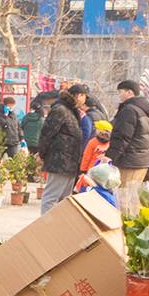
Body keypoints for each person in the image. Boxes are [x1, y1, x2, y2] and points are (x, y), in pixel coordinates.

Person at [37, 85, 89, 214]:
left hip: (71, 162)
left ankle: (60, 227)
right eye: (84, 97)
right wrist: (43, 154)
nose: (85, 101)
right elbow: (46, 134)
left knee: (65, 199)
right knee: (51, 197)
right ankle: (47, 227)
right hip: (59, 160)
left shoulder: (73, 111)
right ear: (79, 96)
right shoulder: (60, 110)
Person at [105, 80, 149, 185]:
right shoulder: (144, 109)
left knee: (124, 197)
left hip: (129, 161)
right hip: (141, 161)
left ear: (129, 92)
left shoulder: (129, 110)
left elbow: (122, 136)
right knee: (132, 195)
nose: (119, 96)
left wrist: (110, 156)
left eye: (121, 92)